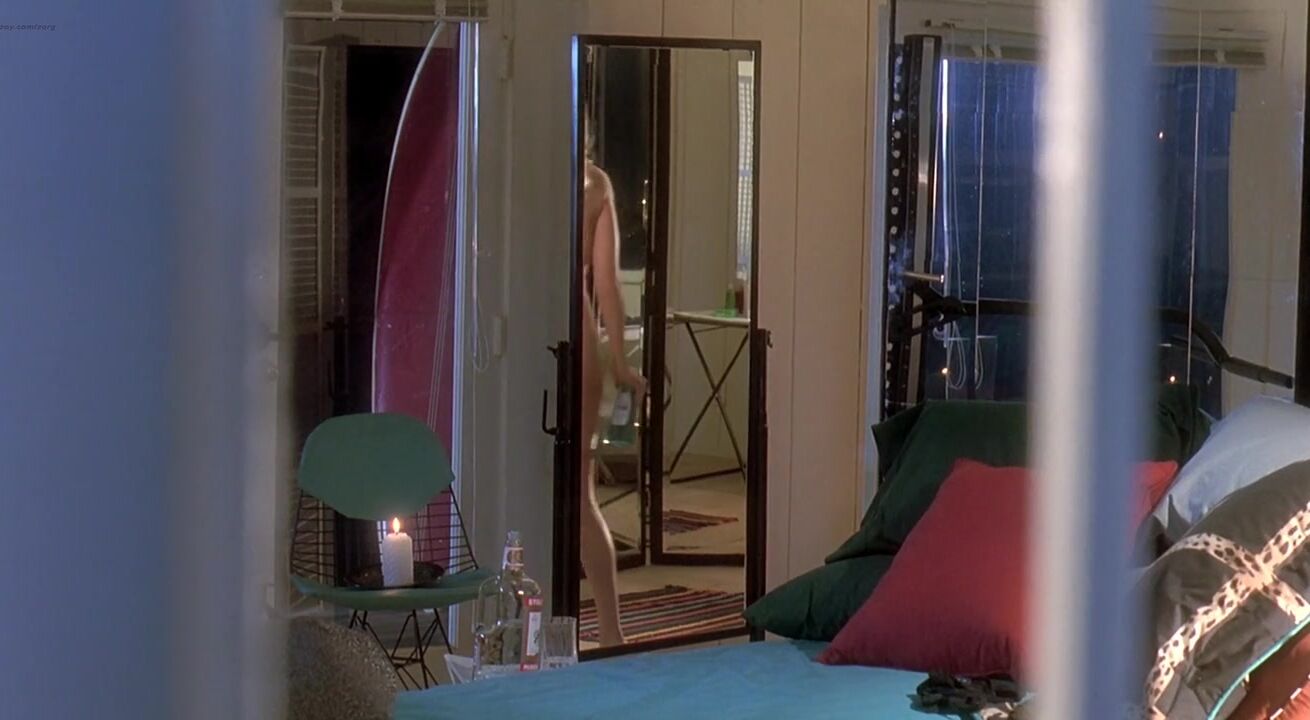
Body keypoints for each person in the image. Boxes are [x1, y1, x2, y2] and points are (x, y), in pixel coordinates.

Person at [580, 158, 646, 647]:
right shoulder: (595, 182)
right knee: (581, 495)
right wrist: (621, 363)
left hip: (523, 321)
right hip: (577, 332)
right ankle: (610, 632)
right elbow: (608, 284)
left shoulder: (520, 168)